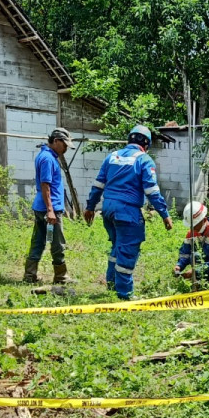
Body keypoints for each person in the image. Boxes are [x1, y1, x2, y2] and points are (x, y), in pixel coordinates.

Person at [84, 124, 173, 299]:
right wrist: (165, 214)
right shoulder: (144, 160)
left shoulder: (112, 157)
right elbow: (152, 191)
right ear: (146, 144)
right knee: (127, 250)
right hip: (127, 211)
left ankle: (111, 285)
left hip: (108, 210)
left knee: (117, 247)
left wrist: (90, 207)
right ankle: (125, 294)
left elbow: (98, 185)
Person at [23, 128, 72, 284]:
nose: (66, 149)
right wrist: (51, 211)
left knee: (38, 240)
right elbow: (45, 185)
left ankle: (30, 276)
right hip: (49, 209)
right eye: (64, 145)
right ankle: (61, 277)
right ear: (56, 141)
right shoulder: (48, 159)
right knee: (58, 243)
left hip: (43, 206)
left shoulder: (46, 156)